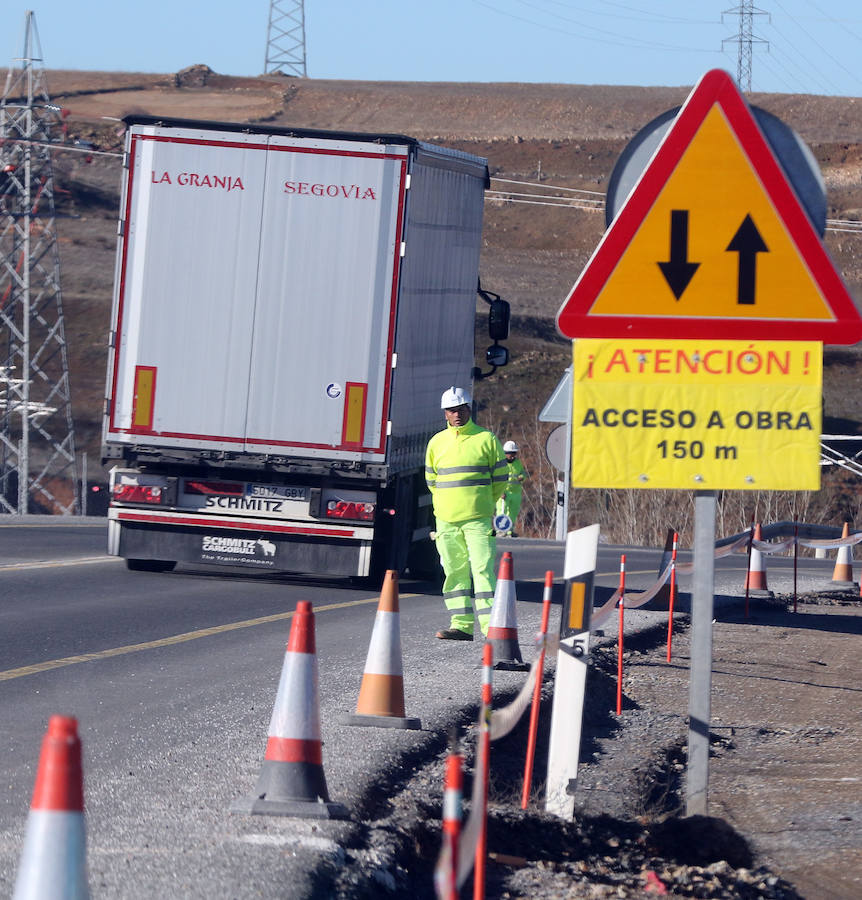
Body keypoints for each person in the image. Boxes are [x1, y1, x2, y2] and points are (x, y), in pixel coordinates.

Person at [425, 386, 507, 641]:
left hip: (478, 519)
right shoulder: (437, 442)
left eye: (460, 409)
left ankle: (490, 627)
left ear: (469, 409)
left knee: (482, 571)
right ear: (445, 414)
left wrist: (483, 504)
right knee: (454, 571)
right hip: (446, 520)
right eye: (451, 410)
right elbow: (431, 480)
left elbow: (501, 479)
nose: (456, 414)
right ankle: (461, 624)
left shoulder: (486, 439)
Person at [495, 440, 529, 537]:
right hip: (504, 493)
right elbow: (497, 478)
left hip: (516, 493)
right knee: (502, 511)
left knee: (513, 513)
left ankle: (510, 531)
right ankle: (501, 531)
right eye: (511, 453)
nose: (513, 455)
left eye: (514, 453)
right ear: (505, 453)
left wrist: (522, 477)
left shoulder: (517, 463)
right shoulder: (500, 463)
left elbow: (523, 473)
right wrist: (500, 492)